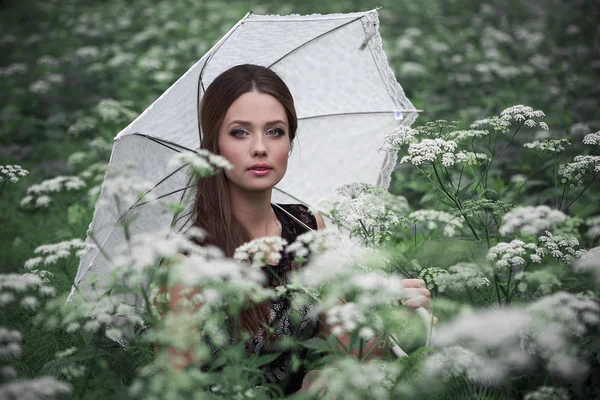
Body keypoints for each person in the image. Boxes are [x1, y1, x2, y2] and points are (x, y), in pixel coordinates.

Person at [159, 64, 431, 396]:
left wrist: (402, 322)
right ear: (214, 145)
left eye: (274, 131)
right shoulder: (191, 260)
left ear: (290, 140)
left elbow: (345, 351)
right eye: (240, 132)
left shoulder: (307, 227)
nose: (260, 147)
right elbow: (176, 390)